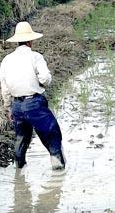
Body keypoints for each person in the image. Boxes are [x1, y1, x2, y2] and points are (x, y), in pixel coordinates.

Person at [0, 22, 66, 170]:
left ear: (17, 40)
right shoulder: (35, 57)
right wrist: (42, 85)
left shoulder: (6, 60)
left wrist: (9, 108)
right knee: (51, 132)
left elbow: (4, 88)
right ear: (30, 41)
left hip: (17, 105)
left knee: (21, 138)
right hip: (34, 103)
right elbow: (45, 79)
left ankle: (19, 169)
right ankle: (57, 168)